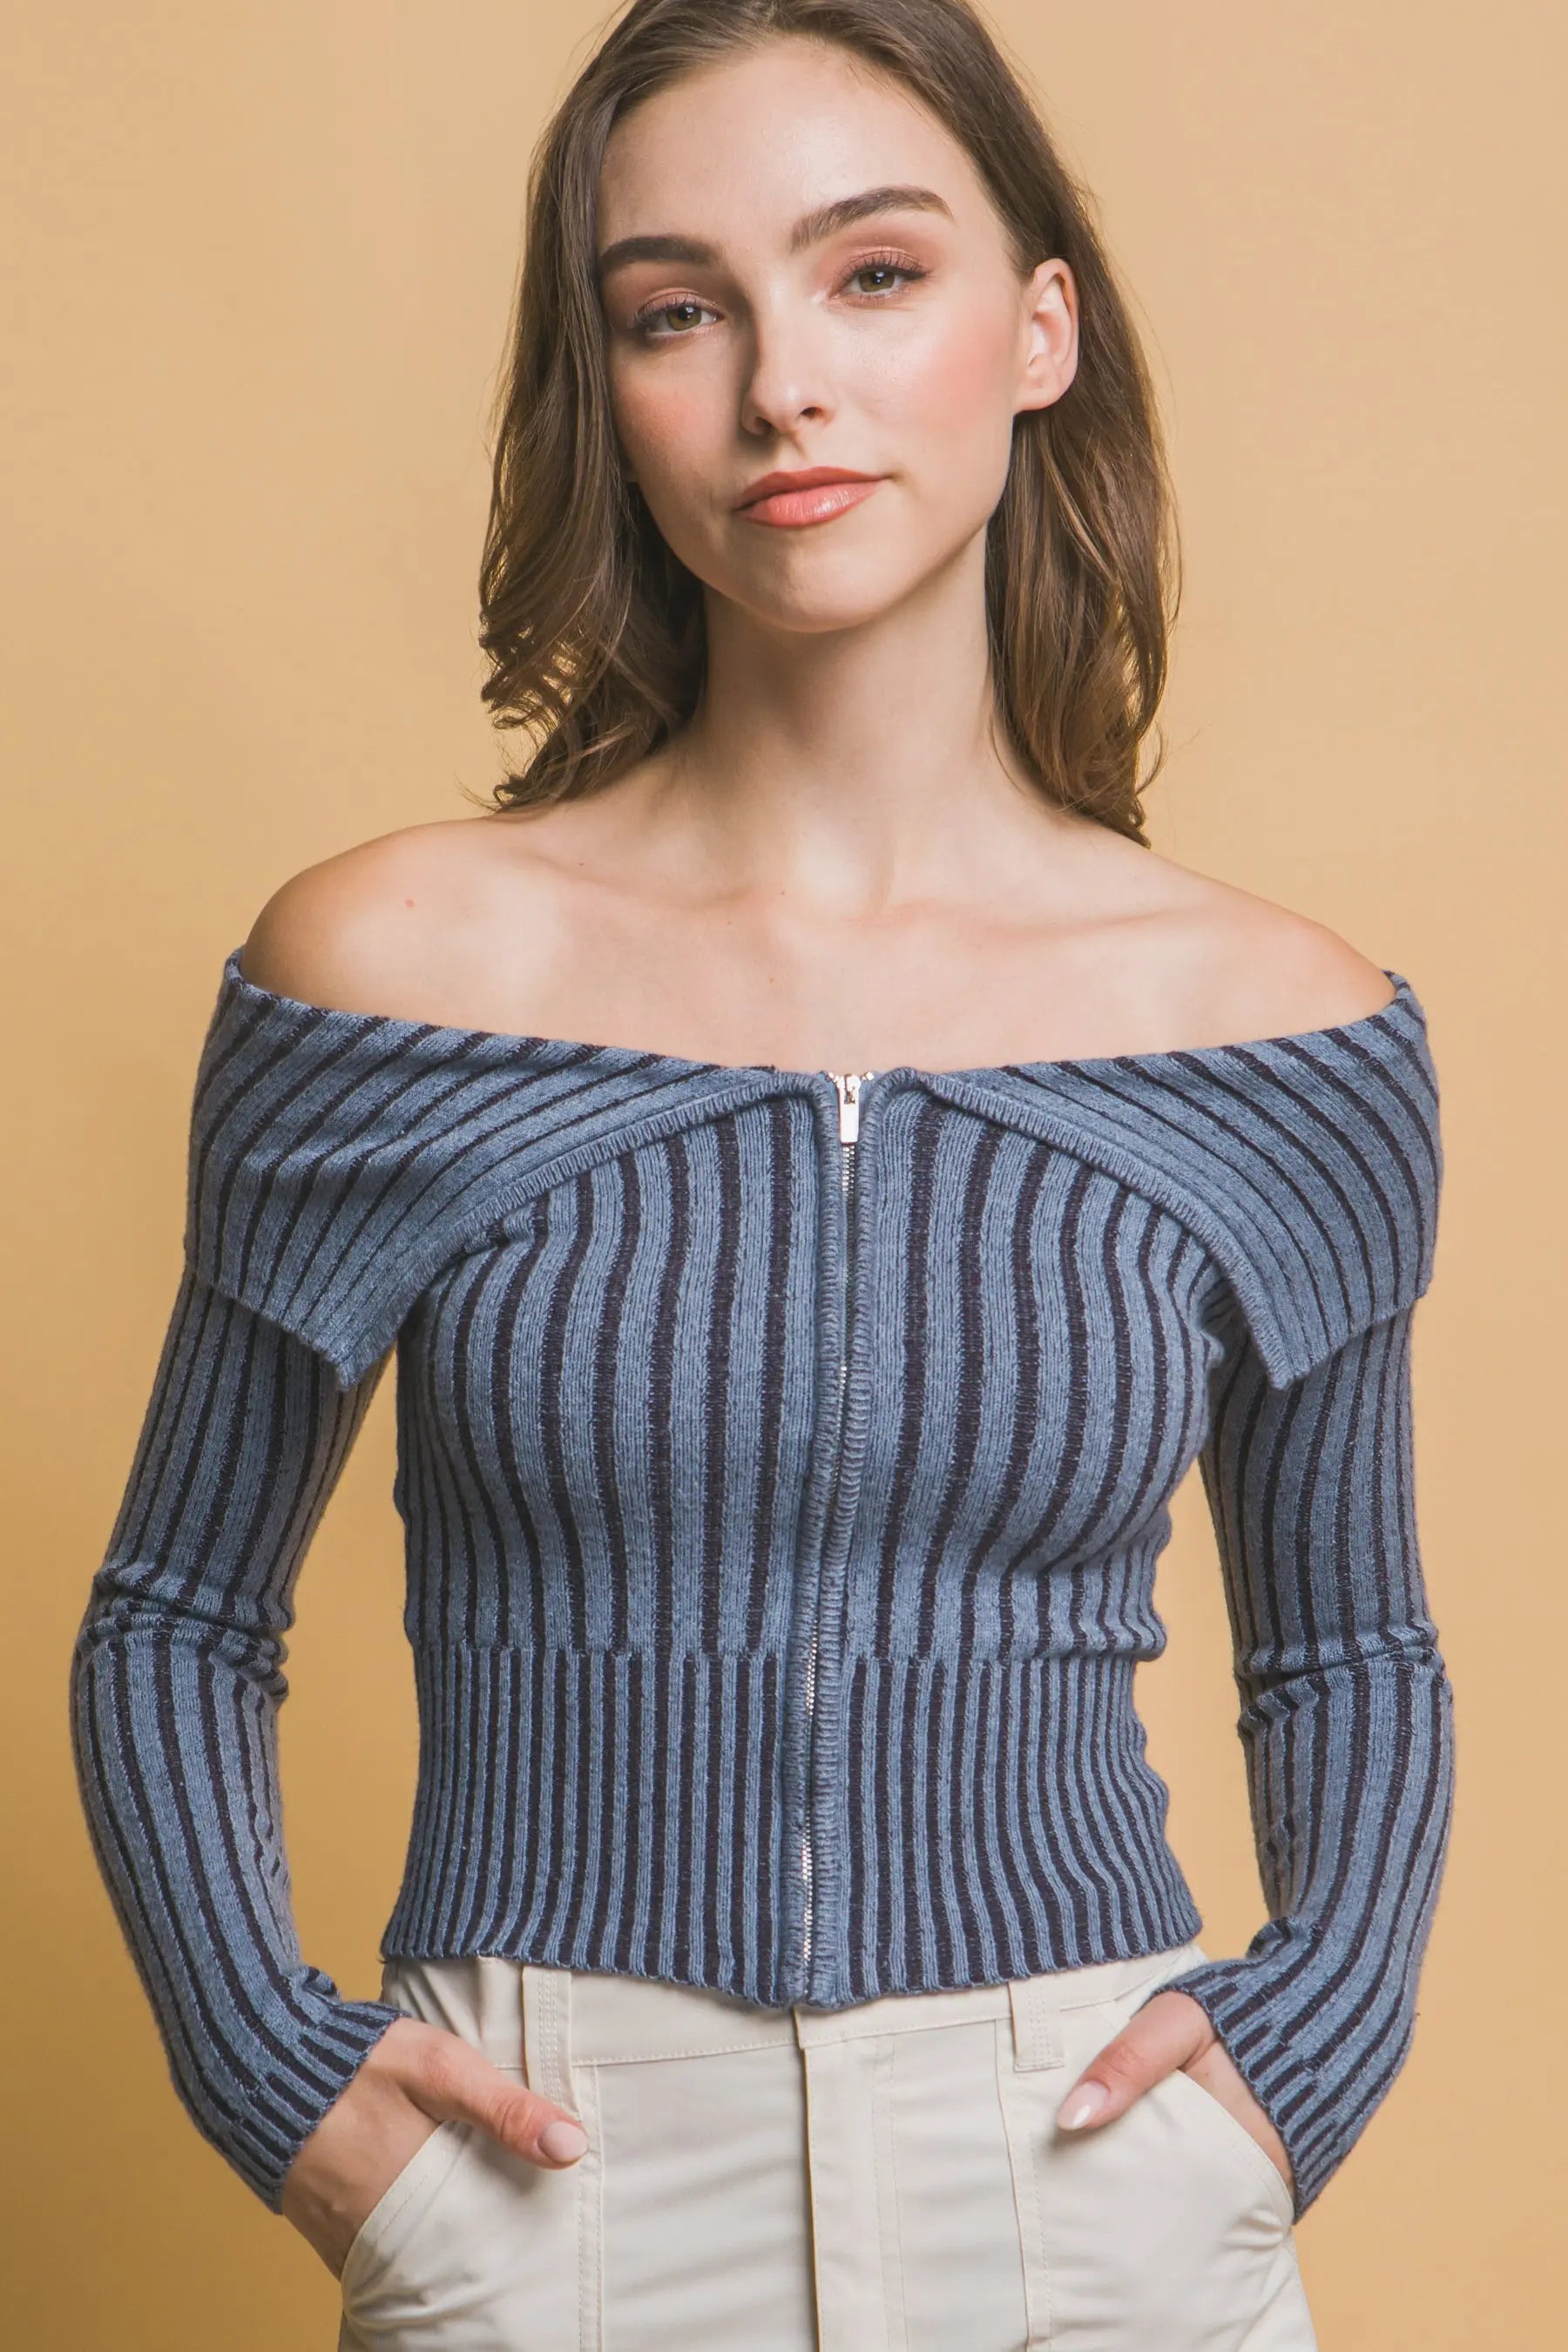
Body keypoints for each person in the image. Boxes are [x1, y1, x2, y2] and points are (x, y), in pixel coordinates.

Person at [69, 2, 1453, 2345]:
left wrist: (1286, 2078)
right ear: (607, 385)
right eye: (675, 311)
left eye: (873, 275)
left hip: (1088, 2184)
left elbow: (1351, 1649)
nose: (781, 386)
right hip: (551, 2187)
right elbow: (175, 1616)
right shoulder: (396, 977)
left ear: (1040, 330)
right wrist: (285, 2090)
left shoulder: (1272, 1035)